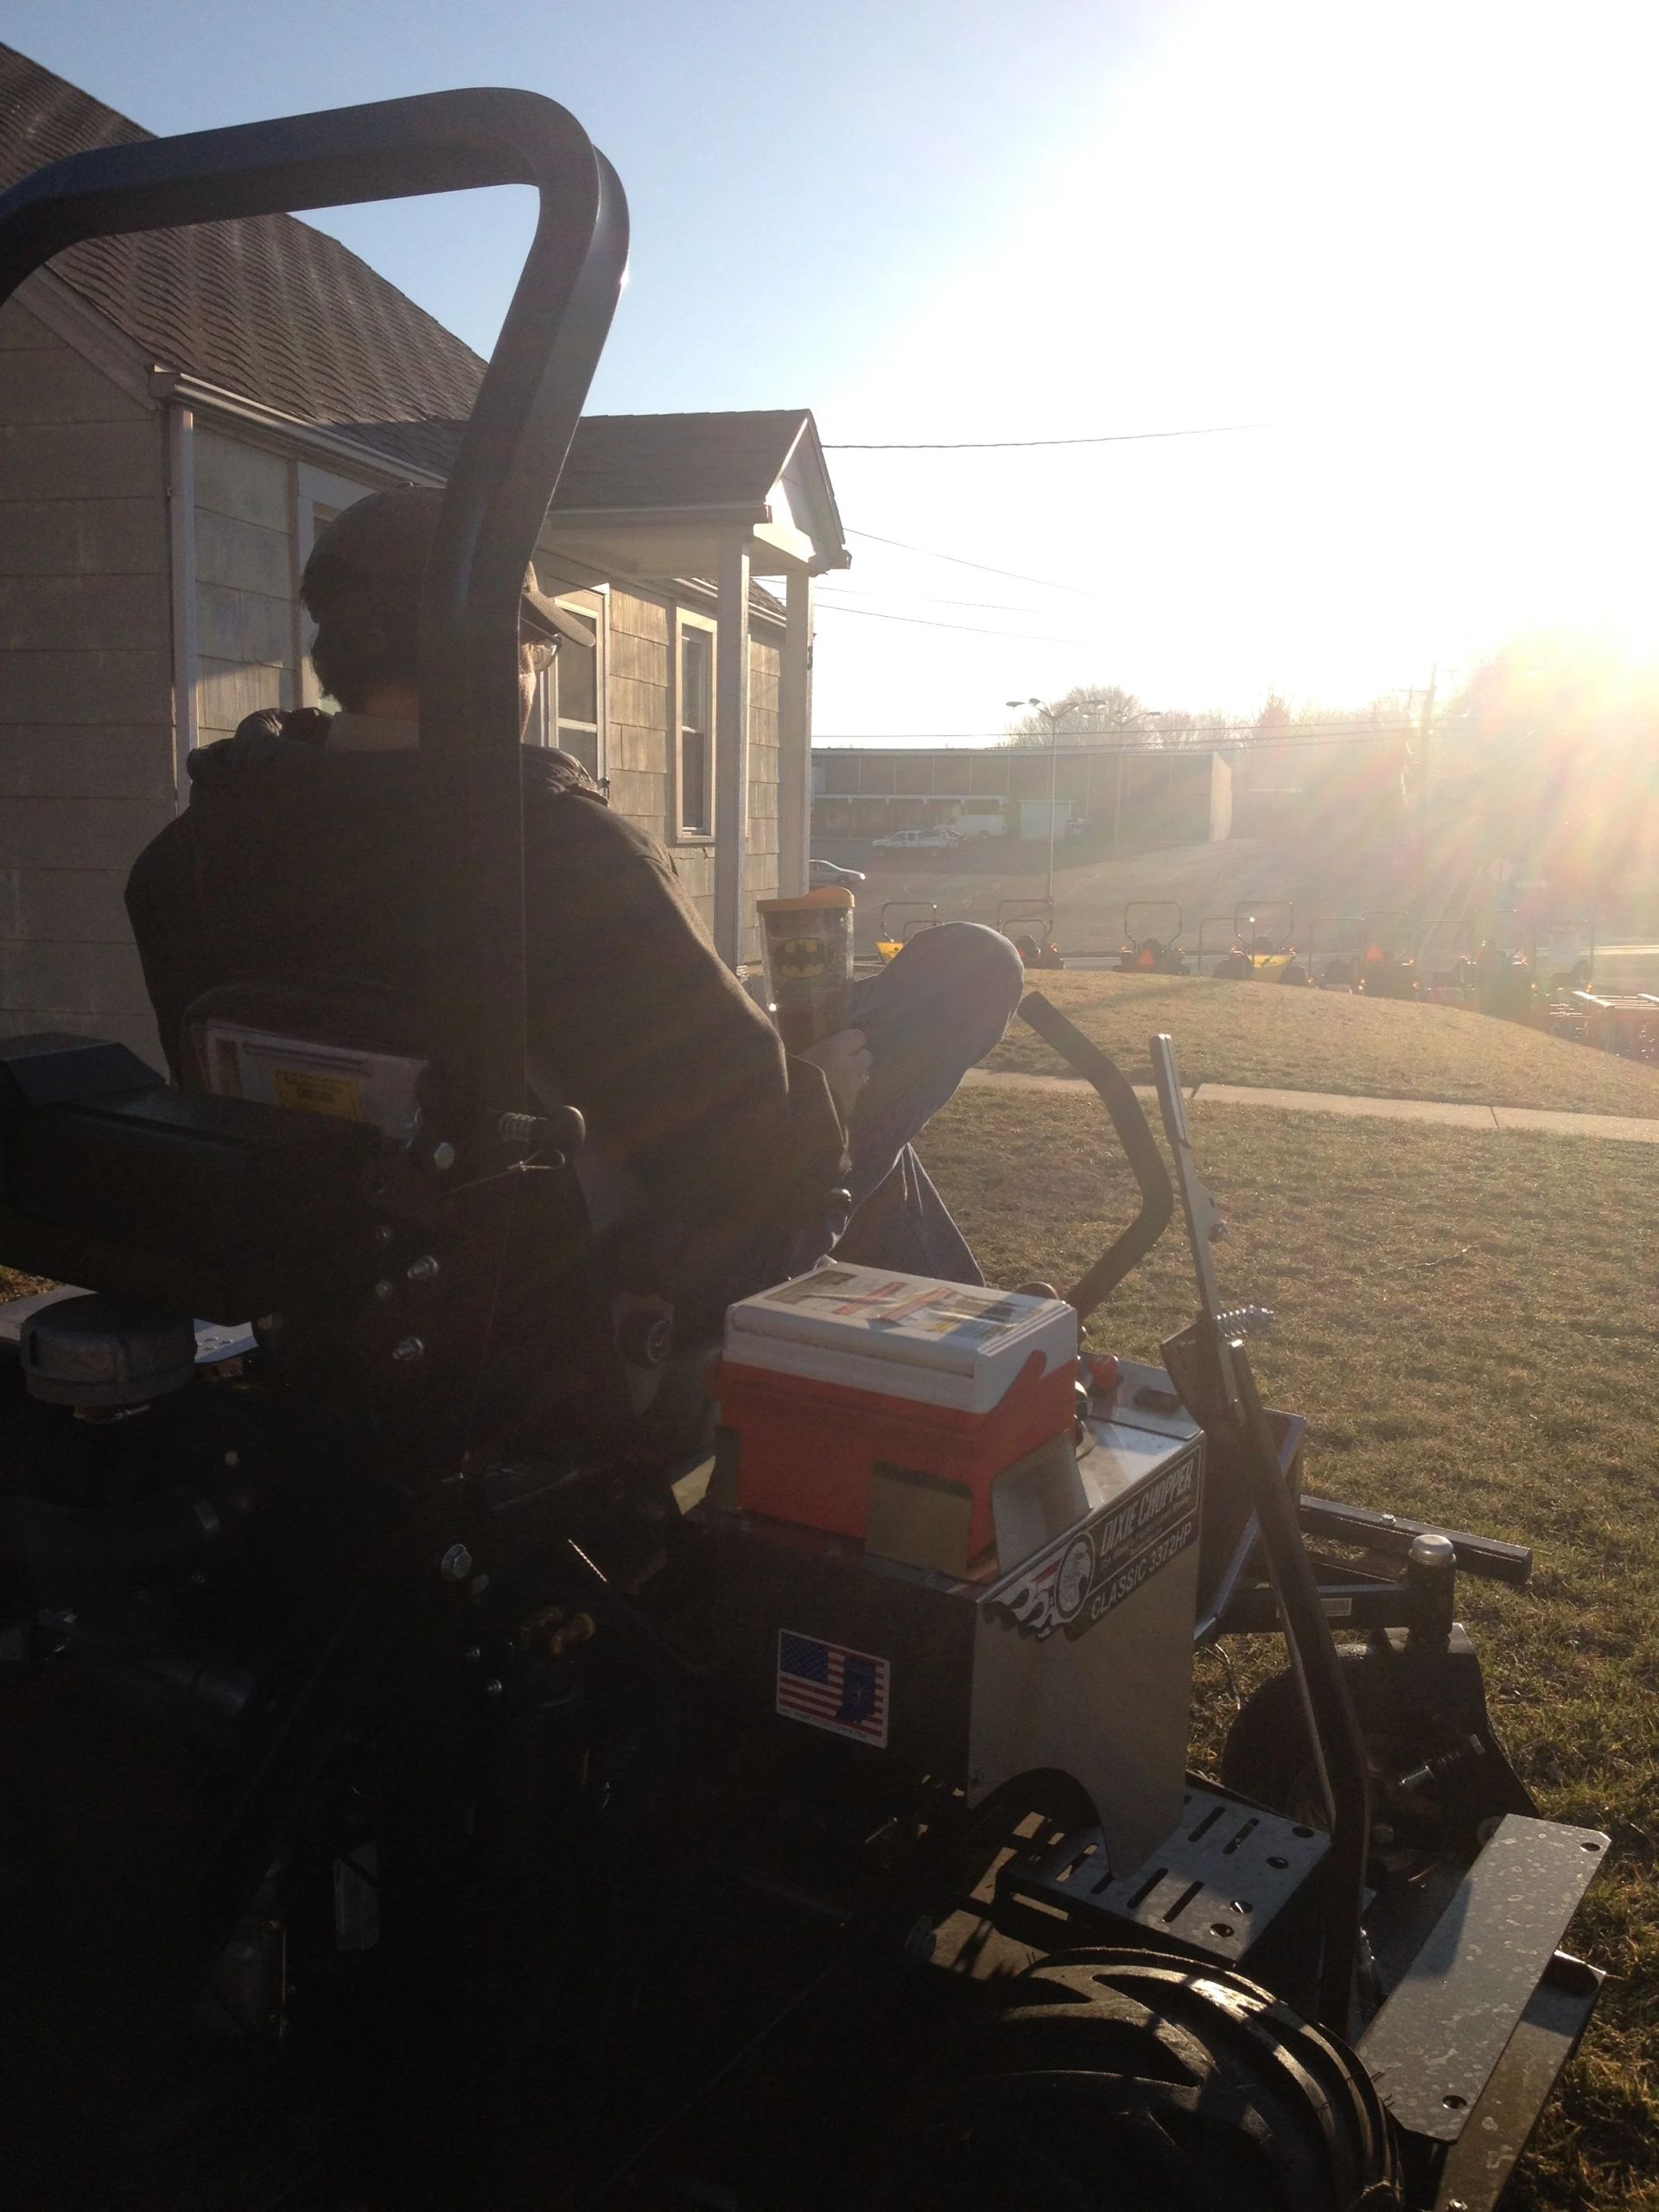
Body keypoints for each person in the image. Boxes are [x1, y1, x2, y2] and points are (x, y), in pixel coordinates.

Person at [125, 488, 1022, 1312]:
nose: (534, 672)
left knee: (874, 1149)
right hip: (610, 1287)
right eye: (537, 646)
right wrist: (821, 1090)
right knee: (967, 966)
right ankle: (1003, 1369)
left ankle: (985, 1335)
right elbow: (748, 1151)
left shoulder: (184, 864)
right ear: (494, 648)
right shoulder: (558, 852)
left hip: (356, 1267)